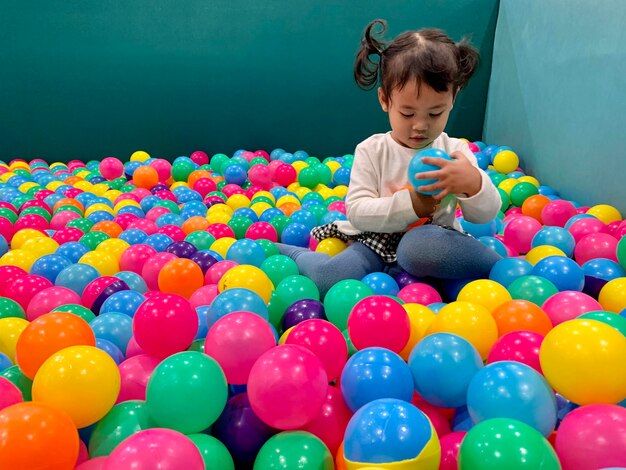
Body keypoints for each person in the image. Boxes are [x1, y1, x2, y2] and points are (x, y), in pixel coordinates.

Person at [278, 19, 502, 296]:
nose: (420, 125)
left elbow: (485, 215)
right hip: (375, 242)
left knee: (418, 248)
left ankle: (499, 268)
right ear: (385, 100)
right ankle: (291, 253)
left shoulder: (455, 151)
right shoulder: (372, 150)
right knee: (330, 278)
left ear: (453, 99)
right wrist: (413, 205)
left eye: (435, 113)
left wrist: (473, 183)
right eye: (407, 113)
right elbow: (358, 212)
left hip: (432, 243)